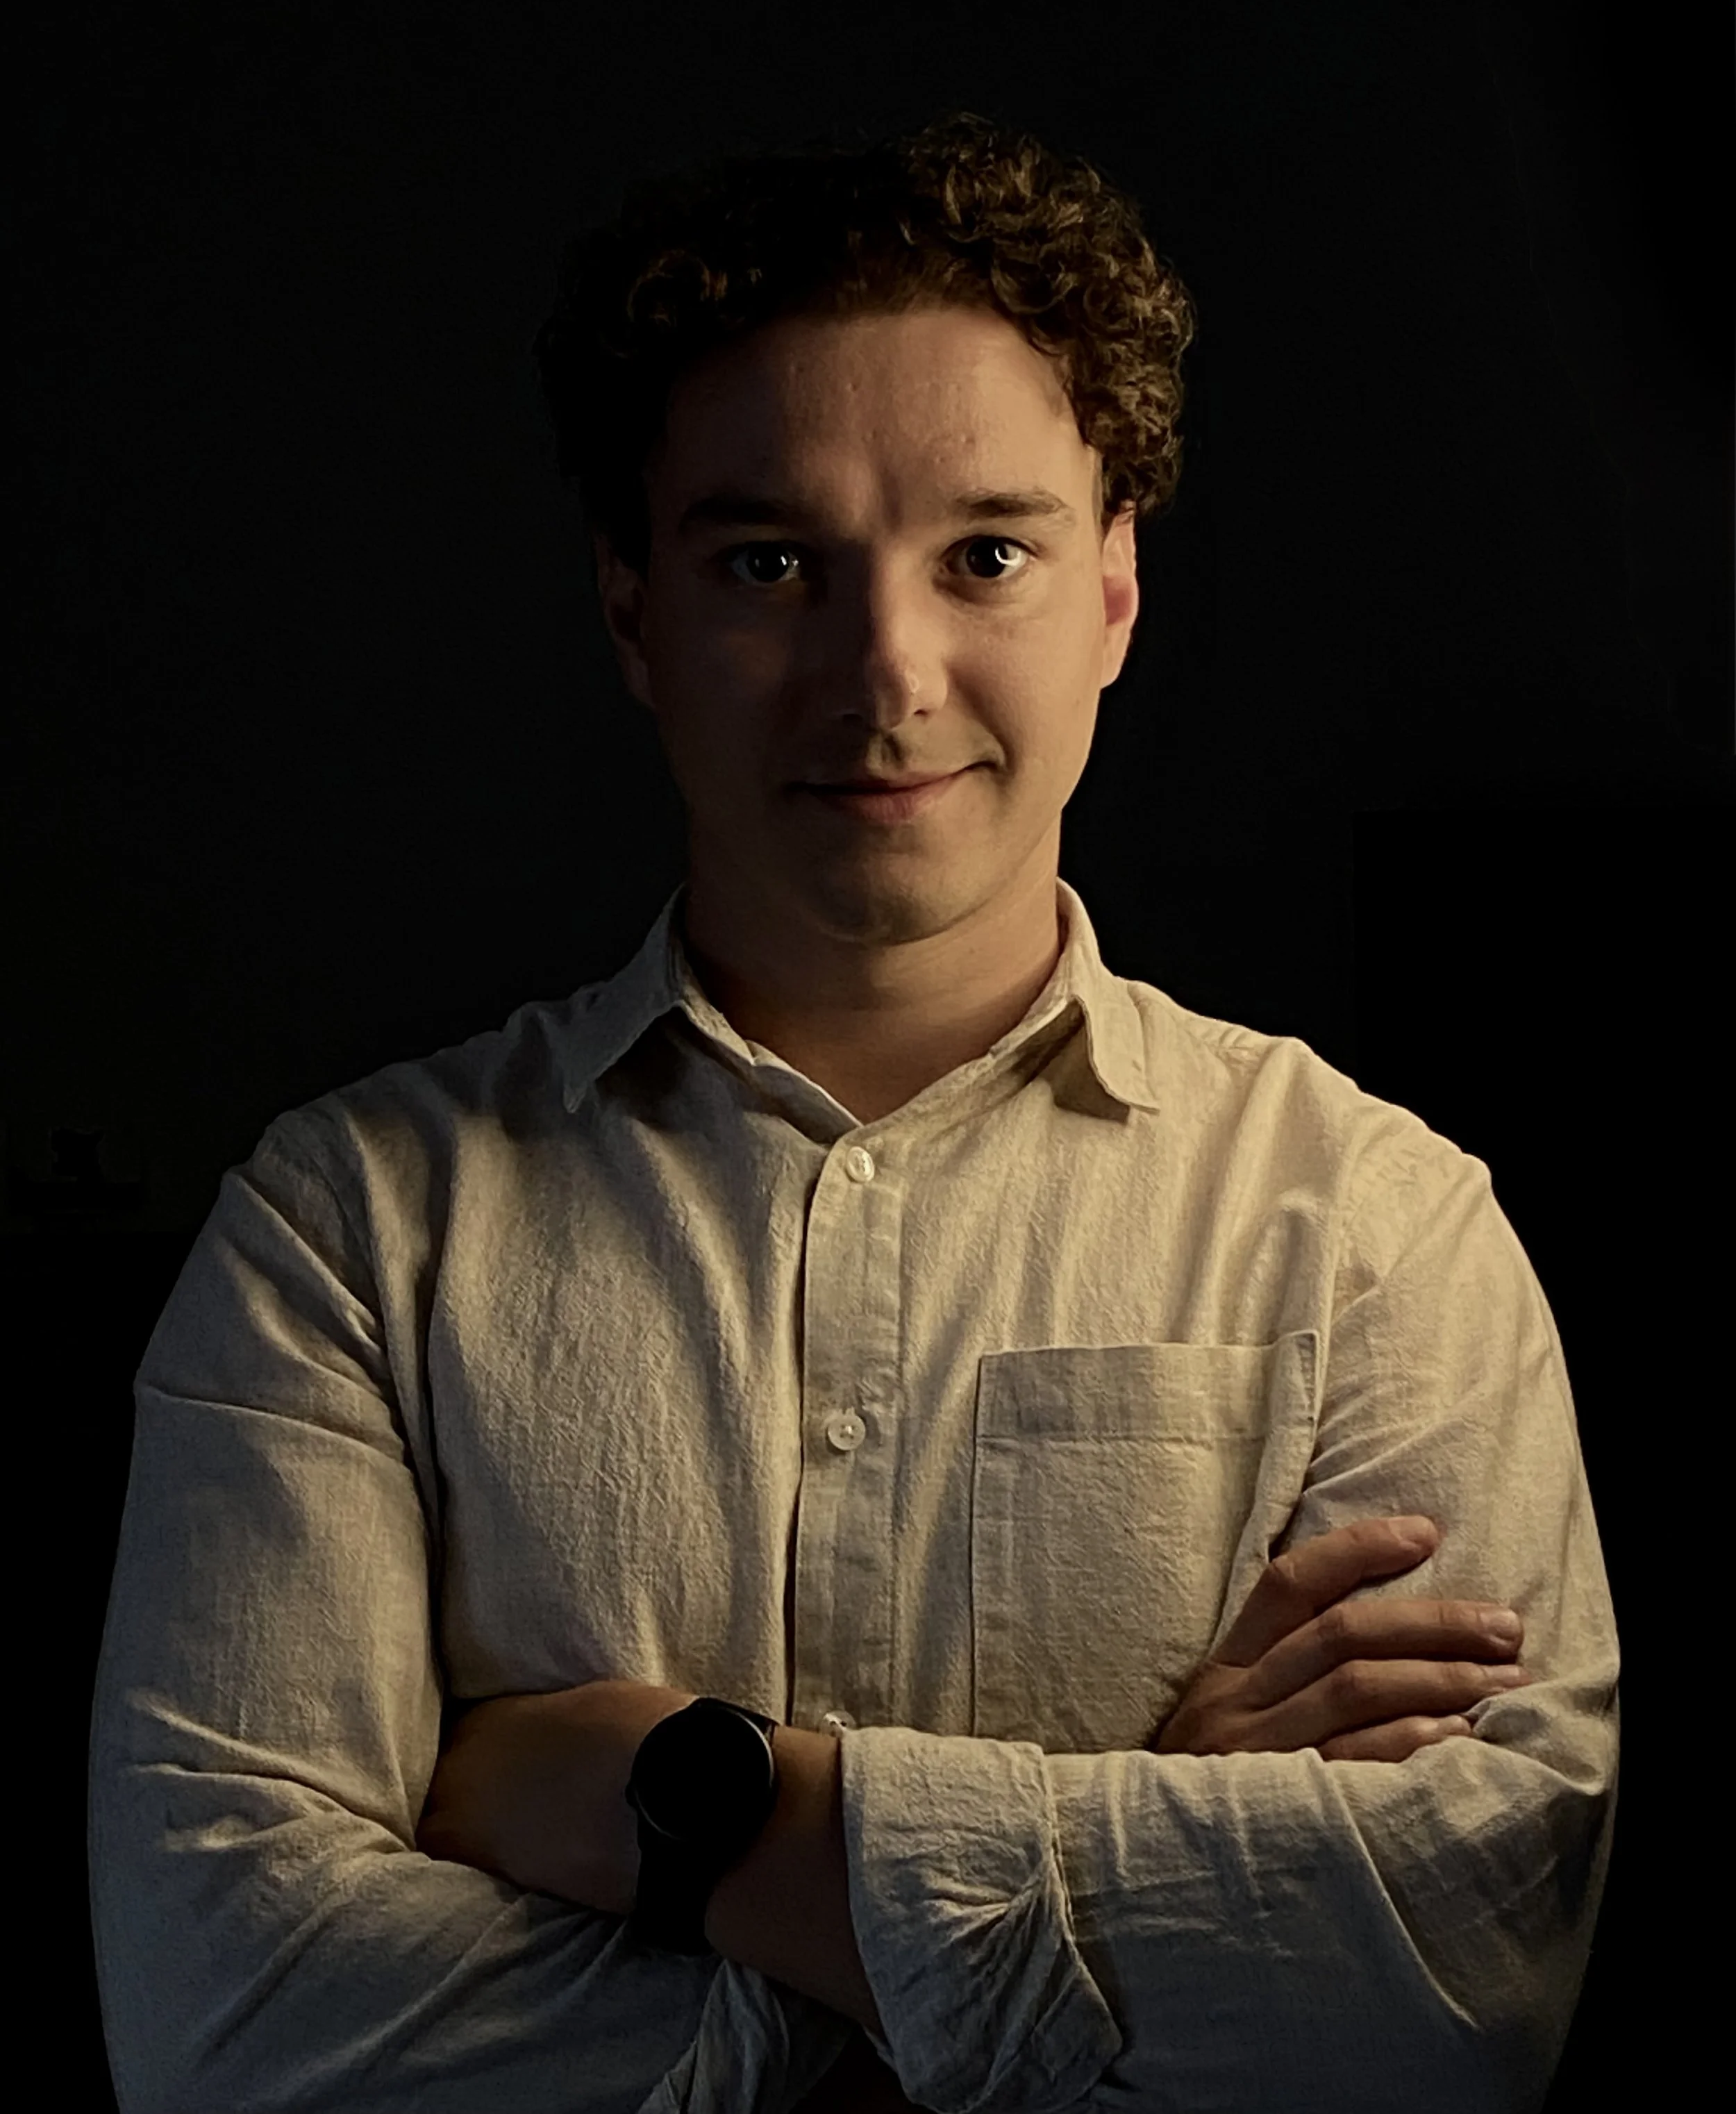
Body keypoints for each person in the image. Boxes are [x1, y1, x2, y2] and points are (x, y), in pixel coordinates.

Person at [87, 110, 1618, 2114]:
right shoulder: (348, 1234)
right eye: (769, 562)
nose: (882, 670)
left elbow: (1448, 1999)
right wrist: (1129, 1886)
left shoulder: (1381, 1225)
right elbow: (242, 2031)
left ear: (1115, 592)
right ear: (634, 612)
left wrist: (669, 1813)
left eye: (984, 551)